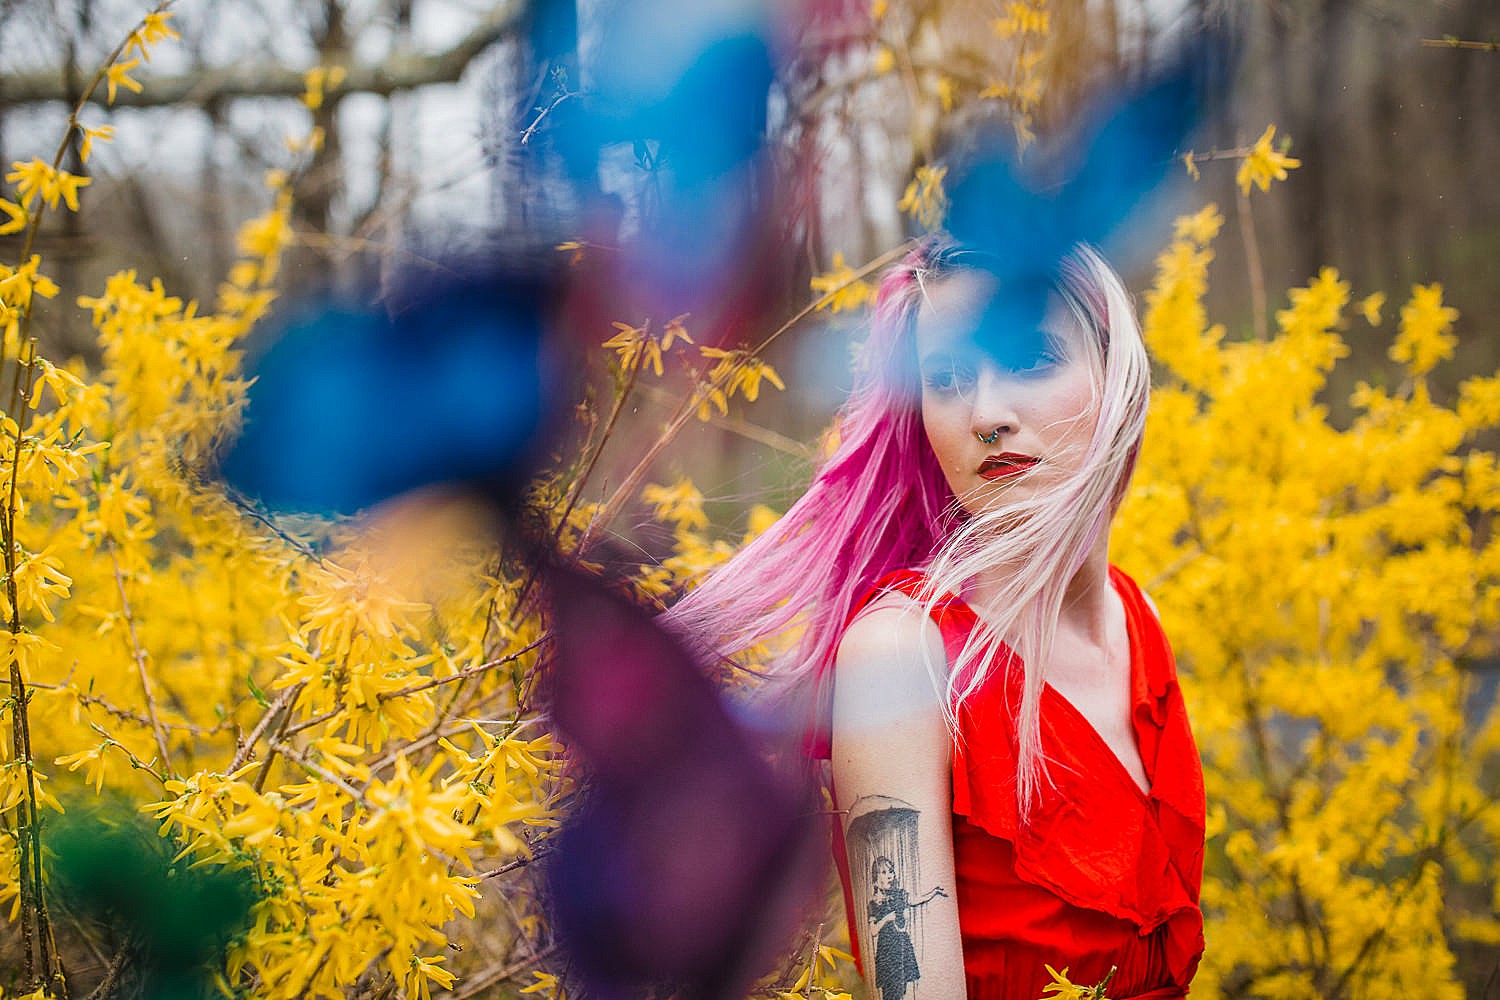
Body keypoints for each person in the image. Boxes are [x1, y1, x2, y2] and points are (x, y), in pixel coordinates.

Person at [666, 237, 1205, 1000]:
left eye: (1027, 358)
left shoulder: (1136, 615)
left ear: (1115, 370)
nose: (985, 414)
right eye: (946, 377)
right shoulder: (902, 658)